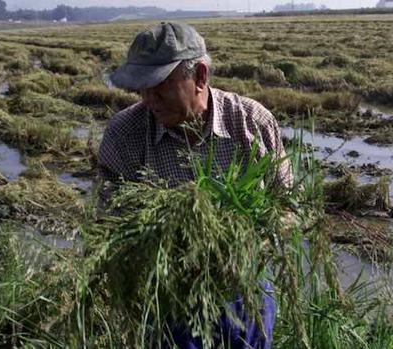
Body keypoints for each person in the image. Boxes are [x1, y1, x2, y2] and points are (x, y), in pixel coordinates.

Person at [98, 22, 293, 348]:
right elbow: (108, 223)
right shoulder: (125, 135)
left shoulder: (251, 122)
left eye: (158, 86)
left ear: (200, 76)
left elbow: (286, 204)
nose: (148, 99)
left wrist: (251, 245)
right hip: (170, 296)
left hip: (245, 288)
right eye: (140, 88)